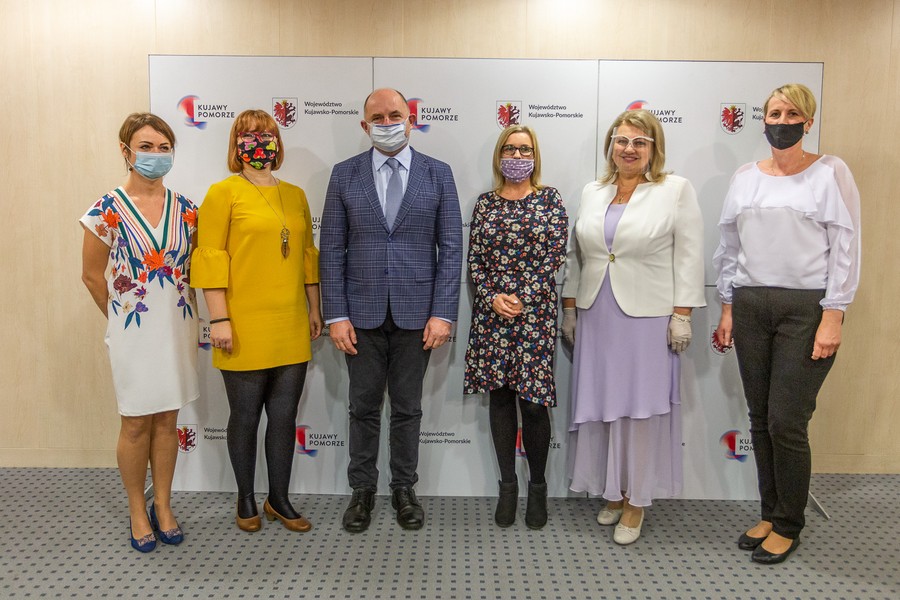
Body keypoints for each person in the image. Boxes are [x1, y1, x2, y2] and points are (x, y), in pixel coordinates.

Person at [713, 83, 861, 565]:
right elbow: (730, 245)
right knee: (759, 418)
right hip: (750, 304)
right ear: (764, 120)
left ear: (808, 121)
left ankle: (790, 524)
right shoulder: (745, 176)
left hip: (806, 309)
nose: (781, 121)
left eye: (792, 113)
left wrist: (834, 314)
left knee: (786, 420)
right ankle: (771, 513)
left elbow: (846, 246)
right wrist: (728, 306)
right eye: (774, 113)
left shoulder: (830, 172)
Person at [320, 88, 463, 532]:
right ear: (364, 126)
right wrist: (335, 315)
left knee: (407, 408)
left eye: (395, 115)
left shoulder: (438, 173)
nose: (387, 123)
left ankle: (404, 489)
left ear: (410, 119)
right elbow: (331, 250)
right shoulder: (344, 175)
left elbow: (451, 248)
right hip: (358, 315)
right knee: (362, 407)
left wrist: (443, 312)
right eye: (378, 118)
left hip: (417, 316)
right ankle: (362, 490)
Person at [561, 109, 705, 545]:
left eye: (639, 142)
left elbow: (689, 256)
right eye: (621, 141)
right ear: (611, 146)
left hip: (647, 318)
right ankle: (613, 490)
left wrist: (682, 315)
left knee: (639, 410)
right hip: (597, 313)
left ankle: (636, 501)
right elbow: (579, 254)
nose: (629, 149)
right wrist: (570, 307)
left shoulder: (675, 190)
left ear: (653, 148)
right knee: (604, 405)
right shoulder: (593, 191)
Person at [191, 109, 322, 534]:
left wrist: (315, 308)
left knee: (283, 418)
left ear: (277, 142)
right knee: (245, 416)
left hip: (290, 322)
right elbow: (211, 259)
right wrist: (219, 319)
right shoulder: (222, 193)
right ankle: (245, 496)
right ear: (236, 144)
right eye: (249, 135)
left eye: (267, 134)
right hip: (241, 323)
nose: (259, 142)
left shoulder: (296, 194)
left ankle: (278, 498)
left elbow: (307, 257)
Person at [80, 113, 199, 552]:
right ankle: (136, 508)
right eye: (146, 147)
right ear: (126, 151)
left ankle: (163, 505)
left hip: (177, 327)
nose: (155, 155)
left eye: (164, 147)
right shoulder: (106, 209)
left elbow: (197, 271)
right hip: (133, 331)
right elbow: (91, 276)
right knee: (134, 423)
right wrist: (119, 317)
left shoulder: (188, 210)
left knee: (167, 419)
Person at [463, 125, 568, 529]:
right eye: (510, 149)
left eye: (525, 149)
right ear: (499, 155)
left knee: (534, 403)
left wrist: (522, 296)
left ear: (535, 155)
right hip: (492, 314)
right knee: (501, 398)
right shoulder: (485, 204)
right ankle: (508, 487)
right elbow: (475, 260)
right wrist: (492, 296)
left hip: (534, 313)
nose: (517, 156)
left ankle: (537, 488)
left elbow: (555, 254)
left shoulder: (549, 199)